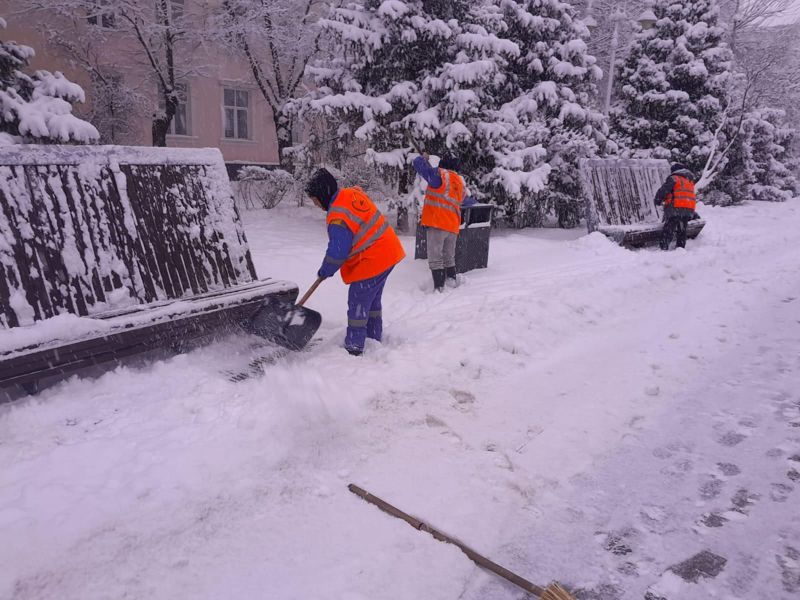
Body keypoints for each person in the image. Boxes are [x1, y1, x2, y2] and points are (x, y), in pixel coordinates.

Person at [305, 168, 405, 356]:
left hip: (372, 260)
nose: (316, 204)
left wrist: (325, 271)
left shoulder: (338, 217)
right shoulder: (349, 193)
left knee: (358, 303)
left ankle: (354, 348)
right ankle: (373, 339)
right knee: (372, 302)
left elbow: (338, 252)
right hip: (388, 252)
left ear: (323, 194)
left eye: (315, 200)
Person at [412, 152, 475, 291]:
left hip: (437, 224)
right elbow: (468, 202)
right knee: (448, 258)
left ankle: (439, 289)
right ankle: (451, 283)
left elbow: (418, 165)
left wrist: (423, 158)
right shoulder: (458, 182)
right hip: (452, 227)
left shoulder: (439, 175)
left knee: (436, 259)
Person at [654, 163, 698, 251]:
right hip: (688, 208)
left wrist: (657, 199)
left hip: (676, 207)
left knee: (669, 228)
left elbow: (664, 190)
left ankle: (664, 247)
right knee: (682, 229)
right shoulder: (689, 180)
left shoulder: (674, 178)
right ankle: (680, 248)